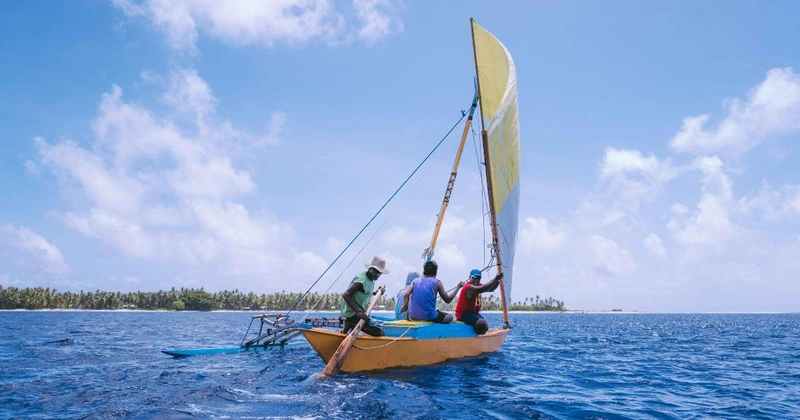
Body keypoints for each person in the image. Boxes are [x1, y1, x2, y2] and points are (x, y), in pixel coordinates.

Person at [340, 256, 390, 337]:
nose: (378, 275)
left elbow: (365, 292)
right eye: (376, 272)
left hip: (360, 312)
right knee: (379, 331)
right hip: (353, 313)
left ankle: (350, 327)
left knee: (380, 328)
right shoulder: (361, 280)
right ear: (370, 269)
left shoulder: (371, 279)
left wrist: (377, 292)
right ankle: (351, 322)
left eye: (379, 273)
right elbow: (346, 295)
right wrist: (357, 312)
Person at [455, 269, 503, 334]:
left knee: (485, 326)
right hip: (463, 315)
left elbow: (491, 289)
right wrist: (495, 278)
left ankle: (478, 335)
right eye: (474, 277)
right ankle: (475, 336)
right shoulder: (468, 287)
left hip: (472, 313)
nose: (476, 280)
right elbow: (484, 288)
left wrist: (498, 280)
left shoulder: (477, 285)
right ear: (470, 277)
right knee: (482, 324)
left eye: (479, 278)